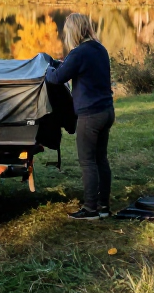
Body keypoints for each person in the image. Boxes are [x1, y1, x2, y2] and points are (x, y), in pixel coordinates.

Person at [45, 13, 114, 221]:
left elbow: (57, 78)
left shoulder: (79, 53)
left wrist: (48, 69)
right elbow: (75, 69)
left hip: (90, 115)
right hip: (106, 111)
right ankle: (103, 206)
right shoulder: (100, 49)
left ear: (73, 31)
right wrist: (63, 64)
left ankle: (90, 209)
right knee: (101, 159)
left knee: (87, 161)